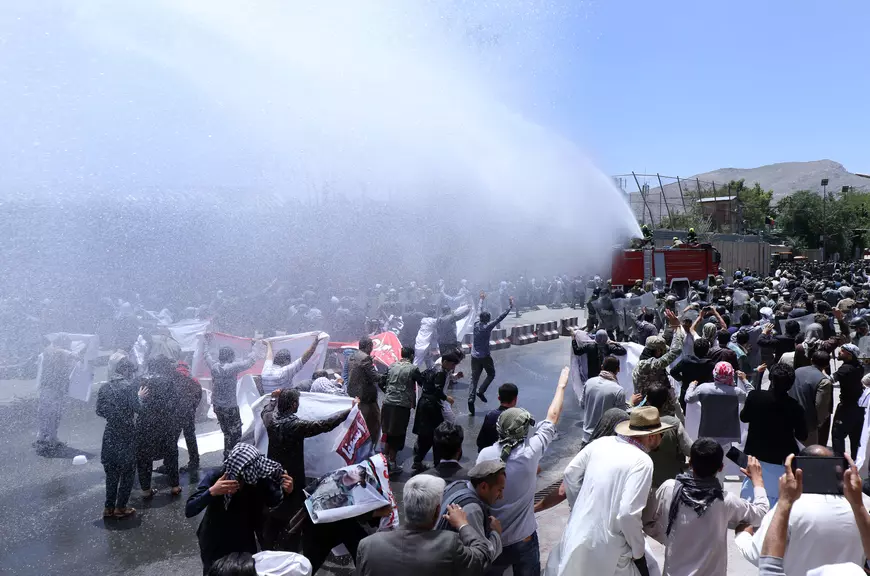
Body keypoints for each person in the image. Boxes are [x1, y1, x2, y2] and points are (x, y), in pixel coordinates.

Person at [546, 407, 672, 576]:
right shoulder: (643, 461)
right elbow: (627, 514)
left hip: (577, 533)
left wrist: (579, 507)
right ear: (651, 436)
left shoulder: (601, 443)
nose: (662, 438)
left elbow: (570, 474)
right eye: (660, 433)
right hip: (611, 548)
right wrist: (638, 552)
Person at [476, 367, 569, 576]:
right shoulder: (530, 453)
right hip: (524, 539)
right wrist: (561, 385)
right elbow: (553, 416)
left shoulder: (484, 455)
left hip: (494, 538)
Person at [735, 445, 870, 575]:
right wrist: (858, 502)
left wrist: (742, 535)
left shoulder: (787, 510)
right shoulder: (859, 511)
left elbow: (761, 556)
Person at [643, 438, 769, 576]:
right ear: (721, 467)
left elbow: (646, 521)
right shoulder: (725, 501)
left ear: (690, 463)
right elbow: (761, 514)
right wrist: (758, 481)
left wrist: (670, 539)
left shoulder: (669, 489)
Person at [260, 388, 355, 550]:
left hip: (273, 472)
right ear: (293, 404)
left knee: (274, 504)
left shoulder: (270, 421)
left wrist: (273, 399)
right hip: (293, 475)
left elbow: (266, 411)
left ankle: (270, 541)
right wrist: (348, 411)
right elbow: (324, 425)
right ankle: (291, 542)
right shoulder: (295, 425)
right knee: (293, 509)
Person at [186, 443, 293, 575]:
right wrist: (212, 491)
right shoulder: (217, 476)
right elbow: (190, 509)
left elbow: (273, 500)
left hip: (244, 541)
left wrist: (286, 490)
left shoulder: (257, 478)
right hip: (214, 540)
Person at [354, 475, 494, 576]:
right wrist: (463, 524)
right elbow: (482, 556)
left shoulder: (367, 545)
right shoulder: (448, 544)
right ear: (437, 511)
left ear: (405, 505)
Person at [740, 363, 807, 506]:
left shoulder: (755, 396)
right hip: (780, 460)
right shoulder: (795, 407)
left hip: (755, 457)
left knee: (751, 498)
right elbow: (802, 435)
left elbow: (744, 417)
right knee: (778, 499)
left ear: (771, 378)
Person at [204, 334, 266, 459]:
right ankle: (234, 458)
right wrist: (255, 346)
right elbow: (250, 362)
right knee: (236, 433)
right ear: (230, 356)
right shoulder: (233, 367)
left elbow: (206, 355)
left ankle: (227, 455)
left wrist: (206, 342)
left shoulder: (214, 367)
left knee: (226, 432)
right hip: (230, 407)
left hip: (217, 406)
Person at [96, 358, 141, 519]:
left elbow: (99, 411)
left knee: (111, 471)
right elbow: (138, 408)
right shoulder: (129, 387)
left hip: (110, 432)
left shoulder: (105, 387)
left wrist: (113, 415)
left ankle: (108, 507)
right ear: (127, 371)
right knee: (128, 470)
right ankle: (121, 507)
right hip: (127, 432)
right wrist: (140, 397)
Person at [436, 460, 506, 560]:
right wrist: (496, 534)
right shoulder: (472, 508)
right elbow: (483, 556)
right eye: (499, 490)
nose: (501, 496)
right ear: (484, 487)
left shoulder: (458, 484)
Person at [135, 356, 183, 499]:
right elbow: (175, 402)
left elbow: (134, 403)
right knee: (171, 453)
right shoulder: (167, 381)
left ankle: (146, 489)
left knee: (144, 456)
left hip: (145, 424)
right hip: (165, 423)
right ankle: (174, 486)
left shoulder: (140, 381)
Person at [684, 361, 748, 455]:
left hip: (707, 434)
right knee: (727, 460)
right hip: (727, 437)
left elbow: (688, 399)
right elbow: (751, 397)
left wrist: (691, 386)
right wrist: (744, 380)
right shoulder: (736, 392)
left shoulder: (703, 388)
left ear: (714, 373)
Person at [35, 335, 85, 454]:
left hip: (46, 388)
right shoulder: (60, 351)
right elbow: (76, 356)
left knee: (44, 413)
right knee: (54, 414)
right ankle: (52, 439)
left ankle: (41, 437)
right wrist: (84, 351)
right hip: (54, 389)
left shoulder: (45, 353)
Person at [413, 351, 460, 473]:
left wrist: (426, 389)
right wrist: (447, 398)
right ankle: (437, 463)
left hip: (423, 403)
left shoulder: (432, 368)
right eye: (452, 364)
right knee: (437, 434)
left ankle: (418, 461)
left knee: (425, 434)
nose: (453, 367)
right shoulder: (441, 373)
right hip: (432, 406)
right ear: (445, 362)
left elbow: (419, 377)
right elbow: (438, 390)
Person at [381, 346, 424, 474]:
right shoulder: (413, 369)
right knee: (397, 434)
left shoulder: (392, 366)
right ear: (411, 356)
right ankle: (392, 463)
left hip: (387, 403)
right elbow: (423, 382)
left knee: (388, 432)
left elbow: (381, 382)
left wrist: (389, 393)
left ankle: (385, 460)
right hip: (401, 406)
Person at [633, 310, 685, 418]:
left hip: (652, 411)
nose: (663, 353)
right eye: (662, 351)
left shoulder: (644, 362)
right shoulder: (648, 365)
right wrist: (678, 328)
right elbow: (675, 351)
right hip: (656, 414)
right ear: (657, 351)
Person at [468, 293, 513, 415]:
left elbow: (479, 310)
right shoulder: (488, 326)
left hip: (474, 356)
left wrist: (481, 299)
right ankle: (481, 391)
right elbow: (500, 317)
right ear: (487, 319)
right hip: (485, 356)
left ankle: (471, 398)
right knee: (491, 374)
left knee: (474, 378)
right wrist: (510, 306)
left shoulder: (476, 323)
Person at [645, 384, 693, 491]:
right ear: (665, 402)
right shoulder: (674, 423)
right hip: (670, 484)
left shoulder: (636, 423)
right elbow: (690, 450)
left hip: (645, 483)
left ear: (647, 401)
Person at [347, 336, 386, 446]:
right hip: (366, 397)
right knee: (373, 423)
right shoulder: (365, 358)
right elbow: (374, 377)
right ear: (368, 346)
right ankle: (369, 447)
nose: (372, 349)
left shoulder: (353, 356)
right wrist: (387, 375)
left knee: (358, 423)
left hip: (354, 395)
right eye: (371, 346)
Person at [789, 350, 833, 446]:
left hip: (789, 419)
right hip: (807, 426)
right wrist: (819, 423)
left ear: (811, 360)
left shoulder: (797, 371)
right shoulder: (824, 382)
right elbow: (821, 407)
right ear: (827, 365)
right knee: (807, 452)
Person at [579, 356, 627, 443]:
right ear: (618, 369)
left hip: (586, 438)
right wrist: (631, 404)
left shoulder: (589, 382)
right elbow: (621, 419)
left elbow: (582, 405)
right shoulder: (618, 390)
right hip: (605, 441)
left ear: (602, 367)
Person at [832, 343, 865, 459]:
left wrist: (820, 369)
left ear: (849, 355)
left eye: (842, 351)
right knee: (856, 438)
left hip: (846, 408)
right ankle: (855, 463)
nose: (839, 352)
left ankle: (840, 464)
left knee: (837, 435)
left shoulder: (845, 369)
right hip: (859, 408)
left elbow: (830, 380)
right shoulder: (859, 366)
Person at [669, 337, 715, 412]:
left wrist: (682, 379)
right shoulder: (711, 364)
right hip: (703, 395)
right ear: (707, 350)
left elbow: (673, 372)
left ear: (694, 349)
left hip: (686, 391)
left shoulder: (686, 360)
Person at [175, 360, 203, 472]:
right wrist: (193, 406)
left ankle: (169, 464)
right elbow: (199, 394)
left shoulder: (173, 378)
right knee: (190, 436)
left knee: (172, 439)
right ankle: (194, 461)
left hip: (175, 412)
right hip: (188, 412)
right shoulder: (193, 379)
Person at [476, 383, 518, 452]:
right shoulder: (518, 419)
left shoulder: (490, 416)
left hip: (490, 454)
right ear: (515, 399)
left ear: (499, 398)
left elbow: (480, 442)